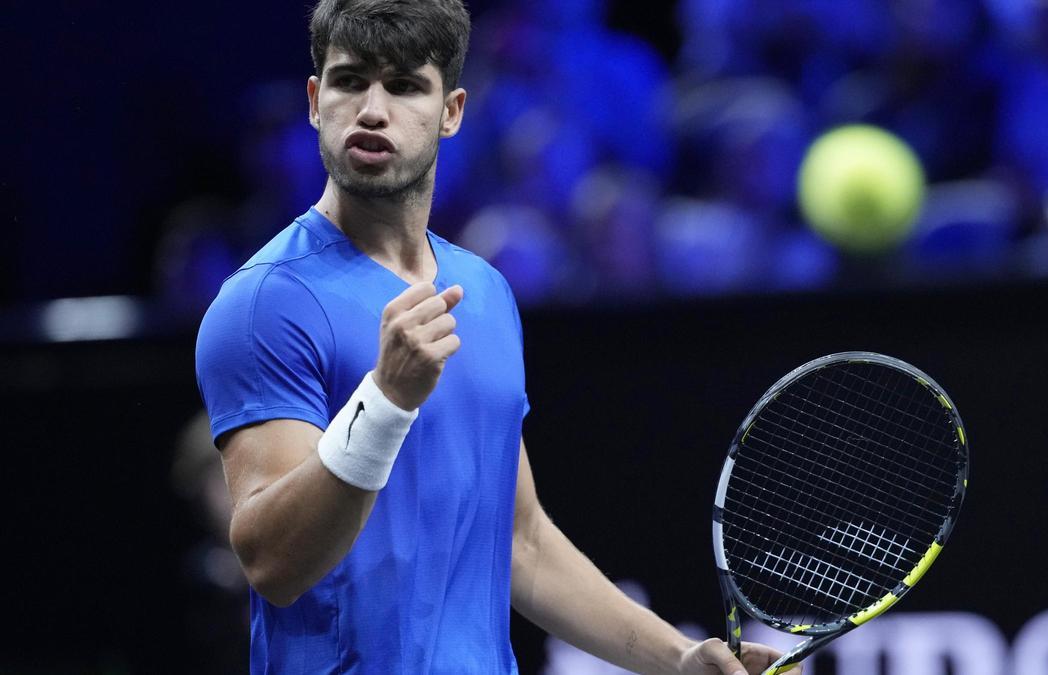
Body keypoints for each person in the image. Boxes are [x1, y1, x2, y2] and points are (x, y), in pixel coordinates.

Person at [194, 1, 785, 673]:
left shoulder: (485, 292)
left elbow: (520, 541)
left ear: (452, 111)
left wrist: (676, 655)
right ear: (314, 99)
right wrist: (386, 400)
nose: (371, 109)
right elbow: (272, 560)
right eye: (349, 80)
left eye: (406, 85)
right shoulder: (263, 302)